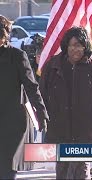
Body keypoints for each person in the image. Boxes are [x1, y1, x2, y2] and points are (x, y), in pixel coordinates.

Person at [40, 26, 92, 179]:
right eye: (72, 45)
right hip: (60, 128)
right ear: (66, 46)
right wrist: (48, 117)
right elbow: (42, 95)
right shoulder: (53, 65)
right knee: (63, 171)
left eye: (79, 45)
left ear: (85, 47)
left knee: (81, 171)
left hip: (84, 130)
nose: (75, 49)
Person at [0, 15, 48, 179]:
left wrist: (41, 113)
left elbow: (31, 87)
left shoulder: (17, 56)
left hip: (13, 121)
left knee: (7, 167)